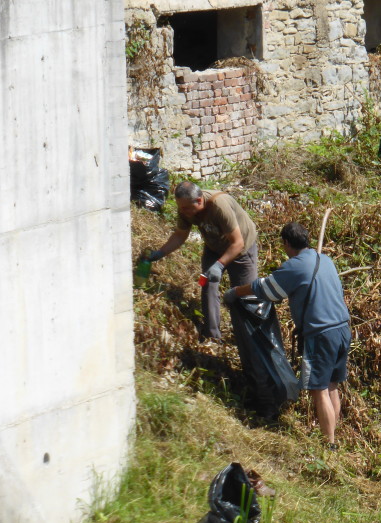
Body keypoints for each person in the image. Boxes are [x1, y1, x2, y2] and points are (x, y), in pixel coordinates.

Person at [228, 222, 351, 448]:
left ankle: (329, 447)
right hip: (342, 329)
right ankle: (334, 440)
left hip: (321, 334)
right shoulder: (325, 260)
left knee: (319, 389)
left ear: (286, 243)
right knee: (332, 386)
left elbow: (265, 289)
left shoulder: (295, 267)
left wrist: (236, 291)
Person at [142, 181, 259, 342]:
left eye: (186, 208)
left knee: (245, 295)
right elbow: (180, 235)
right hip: (214, 246)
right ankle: (212, 336)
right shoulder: (186, 208)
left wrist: (219, 265)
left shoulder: (219, 206)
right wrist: (160, 253)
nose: (183, 212)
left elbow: (237, 243)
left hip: (242, 250)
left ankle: (250, 339)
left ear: (199, 200)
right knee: (207, 285)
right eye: (181, 208)